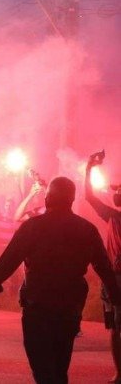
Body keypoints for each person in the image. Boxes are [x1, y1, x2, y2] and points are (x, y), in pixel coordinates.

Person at [0, 176, 121, 384]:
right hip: (70, 307)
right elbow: (103, 266)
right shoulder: (86, 229)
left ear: (48, 199)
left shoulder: (33, 227)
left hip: (38, 305)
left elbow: (10, 257)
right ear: (71, 200)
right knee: (60, 364)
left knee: (42, 367)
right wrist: (116, 296)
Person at [85, 151, 121, 383]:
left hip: (116, 278)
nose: (115, 192)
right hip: (115, 277)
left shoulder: (115, 217)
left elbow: (89, 196)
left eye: (118, 190)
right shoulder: (114, 216)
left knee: (117, 328)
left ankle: (120, 373)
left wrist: (89, 168)